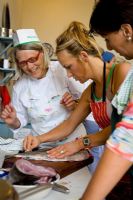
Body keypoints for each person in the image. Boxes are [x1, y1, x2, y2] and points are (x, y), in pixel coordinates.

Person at [23, 21, 131, 174]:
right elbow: (69, 124)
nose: (68, 74)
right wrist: (39, 139)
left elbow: (121, 128)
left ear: (83, 56)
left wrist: (81, 143)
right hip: (119, 160)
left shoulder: (121, 72)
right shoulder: (90, 91)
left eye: (69, 67)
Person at [1, 28, 88, 147]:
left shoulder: (63, 70)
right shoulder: (19, 86)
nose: (30, 66)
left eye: (32, 59)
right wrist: (13, 122)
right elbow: (20, 120)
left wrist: (73, 106)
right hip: (43, 144)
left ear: (42, 53)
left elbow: (87, 103)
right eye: (23, 63)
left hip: (74, 140)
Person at [82, 0, 133, 199]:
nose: (109, 46)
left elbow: (127, 137)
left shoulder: (122, 72)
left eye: (107, 38)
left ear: (126, 30)